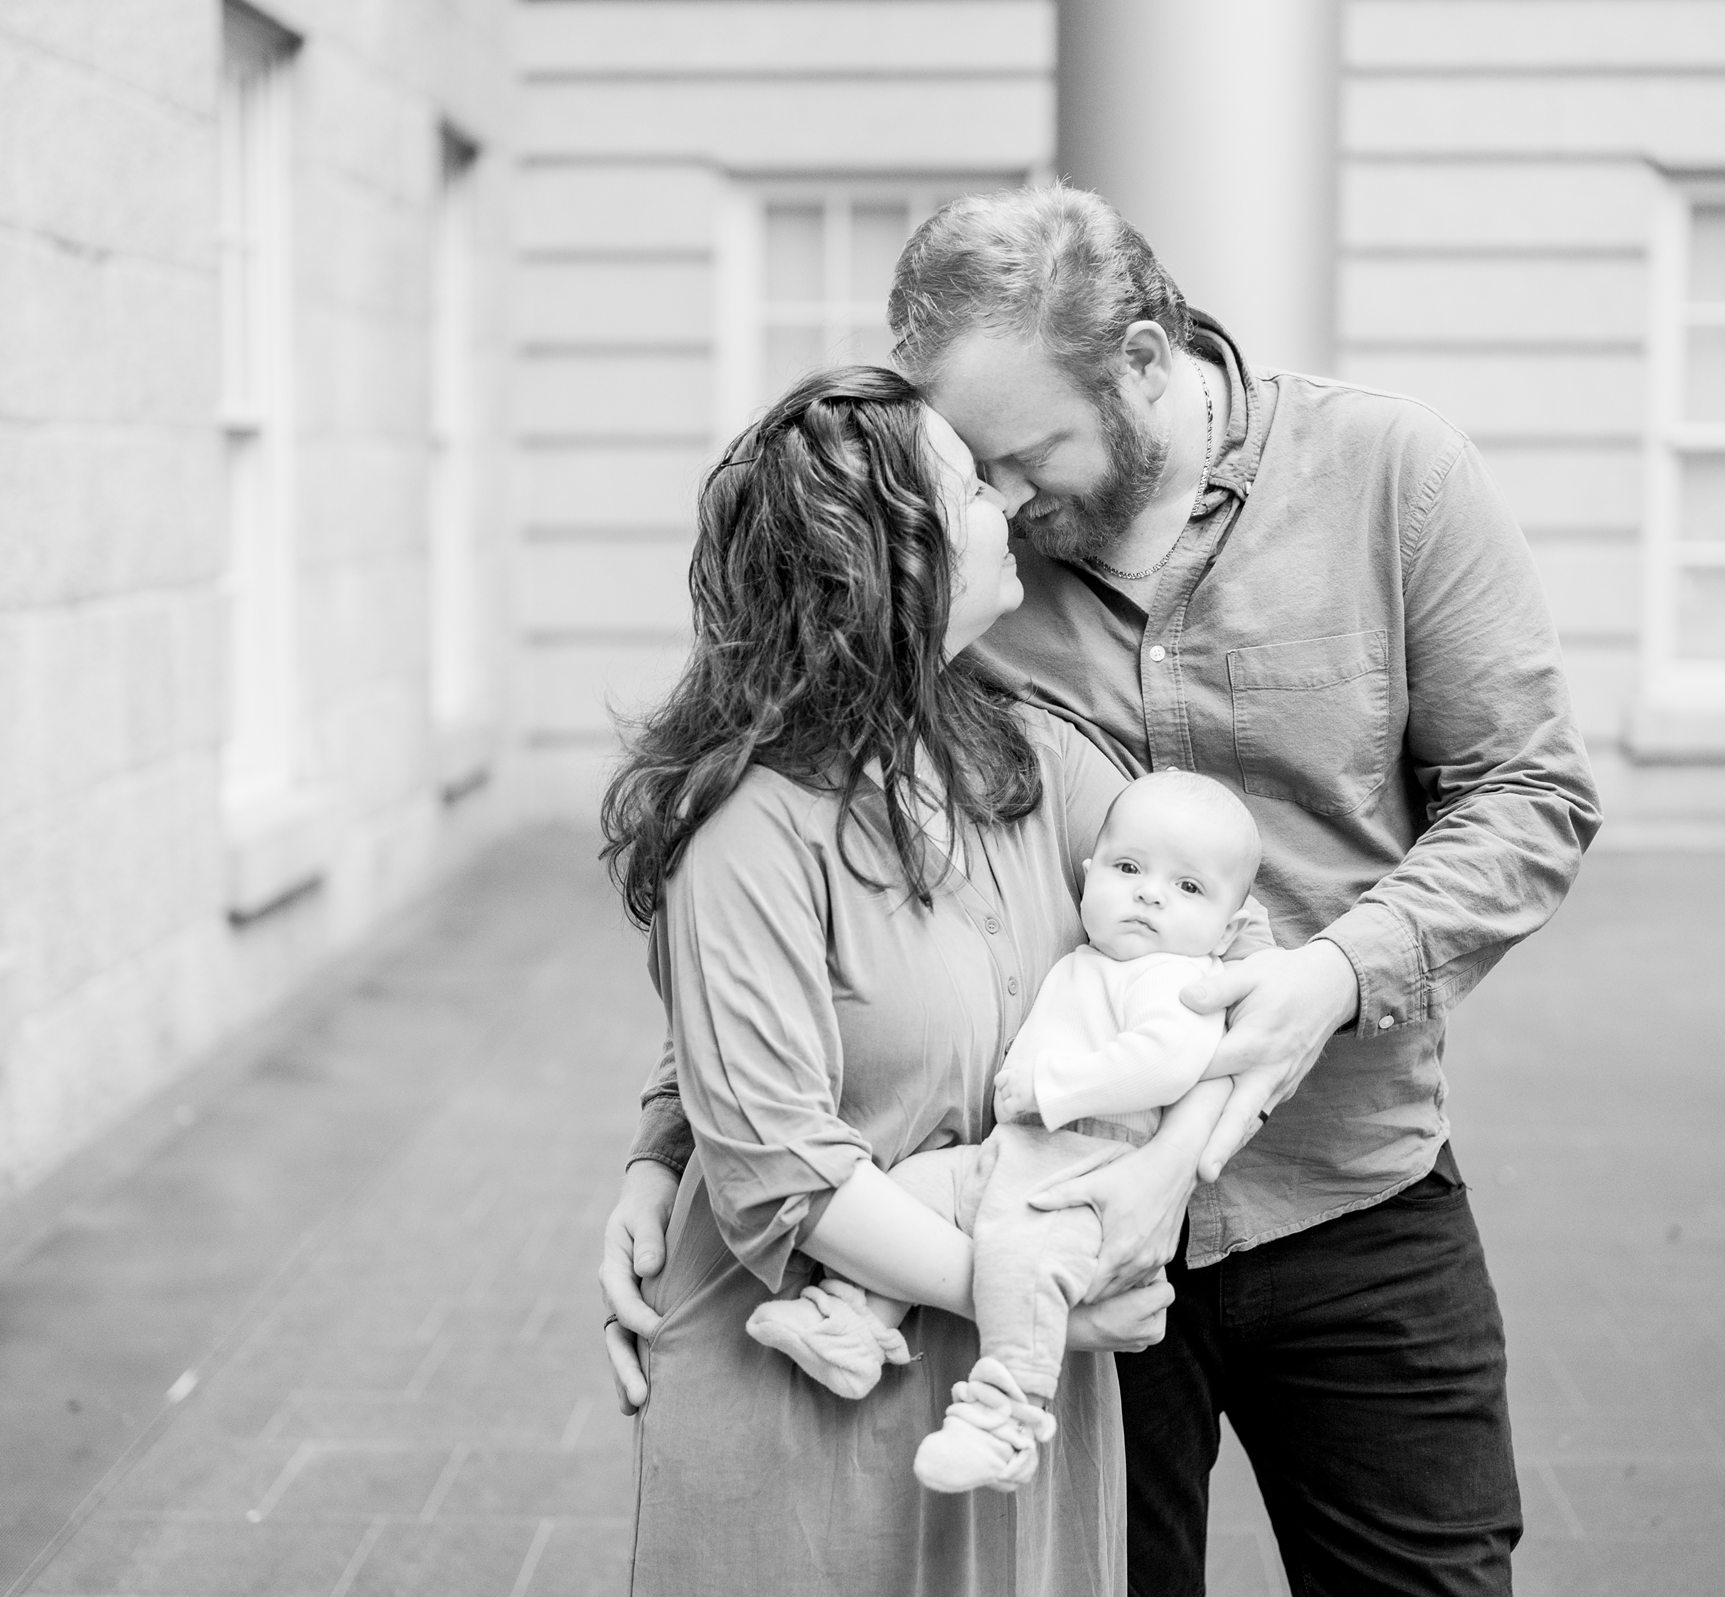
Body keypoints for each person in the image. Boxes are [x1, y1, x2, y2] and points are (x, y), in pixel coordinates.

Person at [602, 184, 1604, 1596]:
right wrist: (670, 1142)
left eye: (1024, 453)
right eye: (976, 472)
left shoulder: (1392, 475)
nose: (1007, 497)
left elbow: (1533, 795)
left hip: (1344, 1187)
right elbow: (811, 884)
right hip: (1058, 1246)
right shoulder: (981, 586)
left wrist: (1331, 976)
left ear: (1141, 362)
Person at [603, 363, 1242, 1595]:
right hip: (815, 1398)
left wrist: (1162, 1175)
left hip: (1014, 1394)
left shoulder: (1036, 760)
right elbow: (780, 1170)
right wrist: (1040, 1306)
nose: (1014, 499)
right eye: (973, 485)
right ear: (889, 562)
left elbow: (1242, 964)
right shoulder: (750, 830)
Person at [746, 772, 1277, 1501]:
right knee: (913, 1190)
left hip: (1086, 1174)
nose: (1151, 894)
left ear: (1227, 926)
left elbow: (1166, 1060)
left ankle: (1005, 1416)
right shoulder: (1096, 958)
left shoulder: (1178, 978)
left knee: (1021, 1265)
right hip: (1013, 1154)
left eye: (1189, 888)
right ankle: (855, 1321)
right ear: (1088, 878)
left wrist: (1053, 1087)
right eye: (1129, 870)